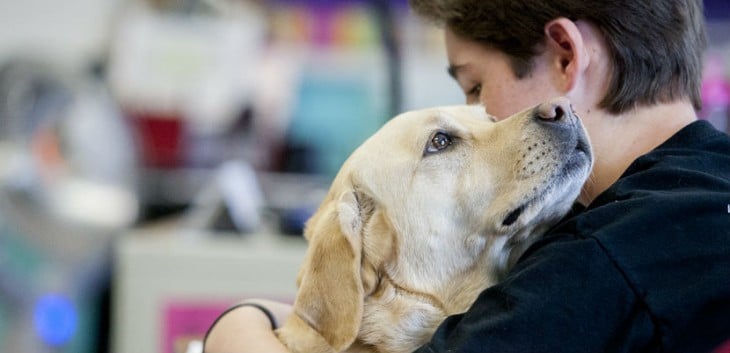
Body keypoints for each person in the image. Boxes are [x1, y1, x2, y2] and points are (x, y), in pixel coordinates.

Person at [204, 0, 730, 352]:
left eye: (475, 88)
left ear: (567, 57)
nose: (484, 118)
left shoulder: (604, 257)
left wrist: (234, 327)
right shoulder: (701, 185)